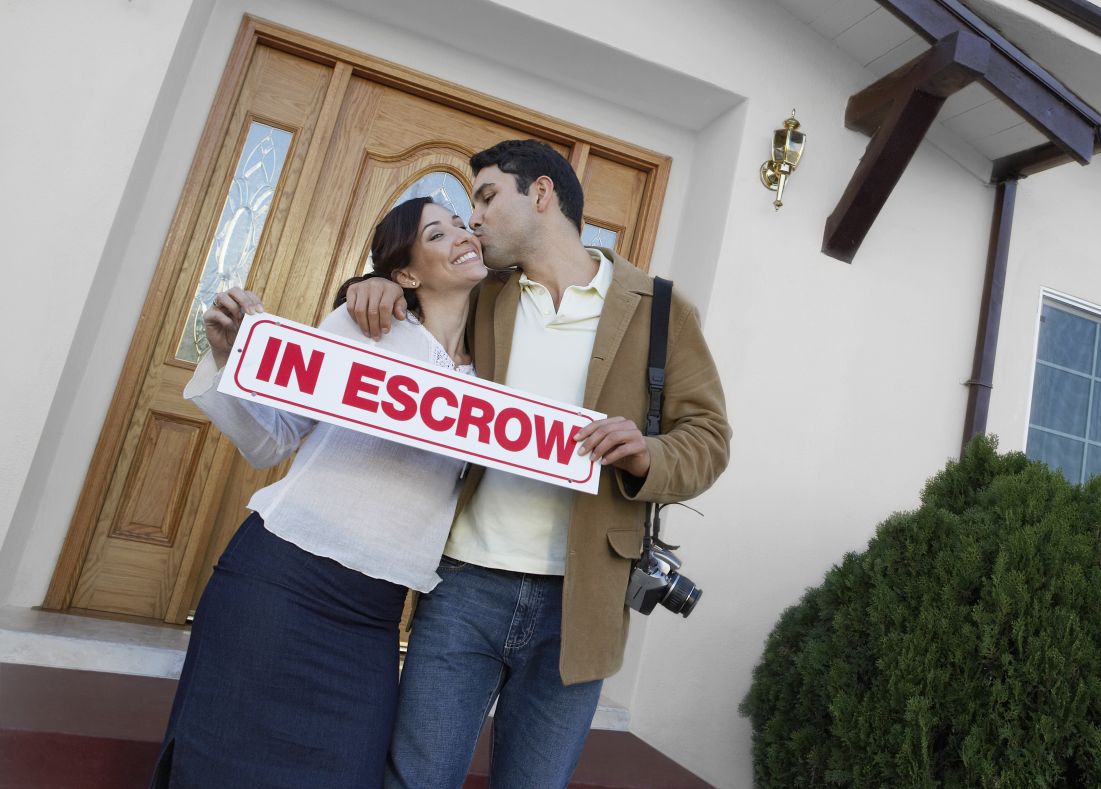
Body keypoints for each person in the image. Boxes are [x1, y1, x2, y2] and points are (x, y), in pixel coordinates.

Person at [344, 140, 731, 789]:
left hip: (581, 602)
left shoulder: (661, 308)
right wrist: (376, 282)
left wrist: (648, 453)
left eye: (487, 196)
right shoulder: (480, 295)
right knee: (413, 779)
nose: (473, 219)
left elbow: (709, 437)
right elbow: (411, 321)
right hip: (462, 586)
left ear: (543, 193)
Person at [150, 197, 490, 789]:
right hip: (279, 581)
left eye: (463, 223)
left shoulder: (493, 377)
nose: (463, 234)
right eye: (439, 232)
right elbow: (272, 441)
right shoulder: (368, 327)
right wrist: (234, 356)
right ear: (406, 273)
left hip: (373, 617)